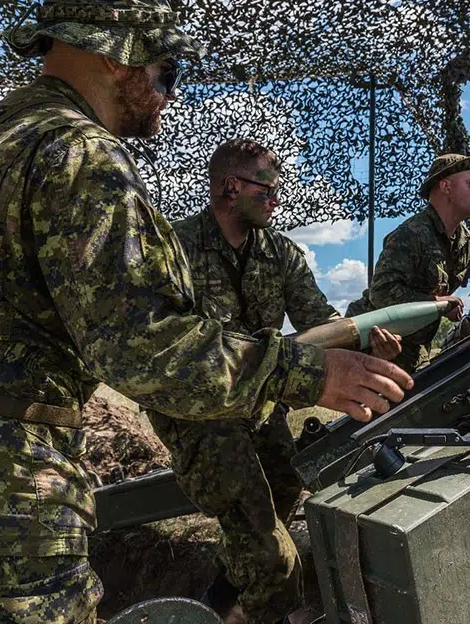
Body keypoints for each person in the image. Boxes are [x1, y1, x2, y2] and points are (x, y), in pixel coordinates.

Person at [0, 0, 412, 622]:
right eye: (164, 72)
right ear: (111, 54)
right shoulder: (82, 153)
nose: (168, 93)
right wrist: (313, 374)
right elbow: (144, 344)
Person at [151, 139, 402, 624]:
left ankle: (218, 604)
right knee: (270, 552)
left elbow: (318, 320)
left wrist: (365, 346)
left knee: (286, 487)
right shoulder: (173, 249)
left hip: (263, 408)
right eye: (267, 191)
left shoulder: (281, 254)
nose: (277, 201)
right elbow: (164, 347)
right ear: (231, 188)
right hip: (200, 416)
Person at [346, 153, 470, 372]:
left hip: (412, 348)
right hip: (371, 343)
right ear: (446, 187)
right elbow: (382, 292)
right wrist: (438, 305)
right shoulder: (411, 235)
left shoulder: (465, 240)